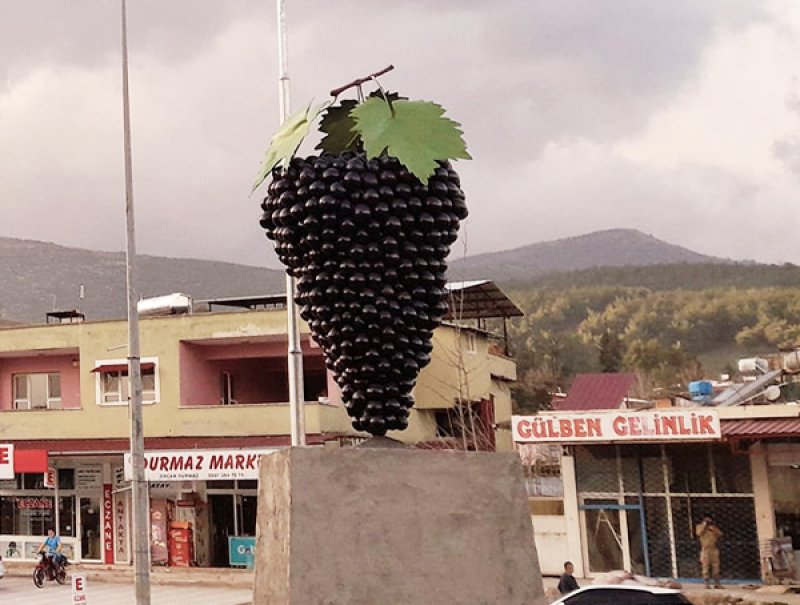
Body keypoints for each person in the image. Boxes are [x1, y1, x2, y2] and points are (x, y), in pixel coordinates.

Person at [695, 514, 723, 588]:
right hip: (705, 549)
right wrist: (704, 525)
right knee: (705, 567)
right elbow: (698, 533)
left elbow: (720, 534)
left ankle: (717, 583)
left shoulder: (713, 527)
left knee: (716, 566)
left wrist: (713, 529)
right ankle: (706, 583)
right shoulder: (699, 526)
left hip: (714, 549)